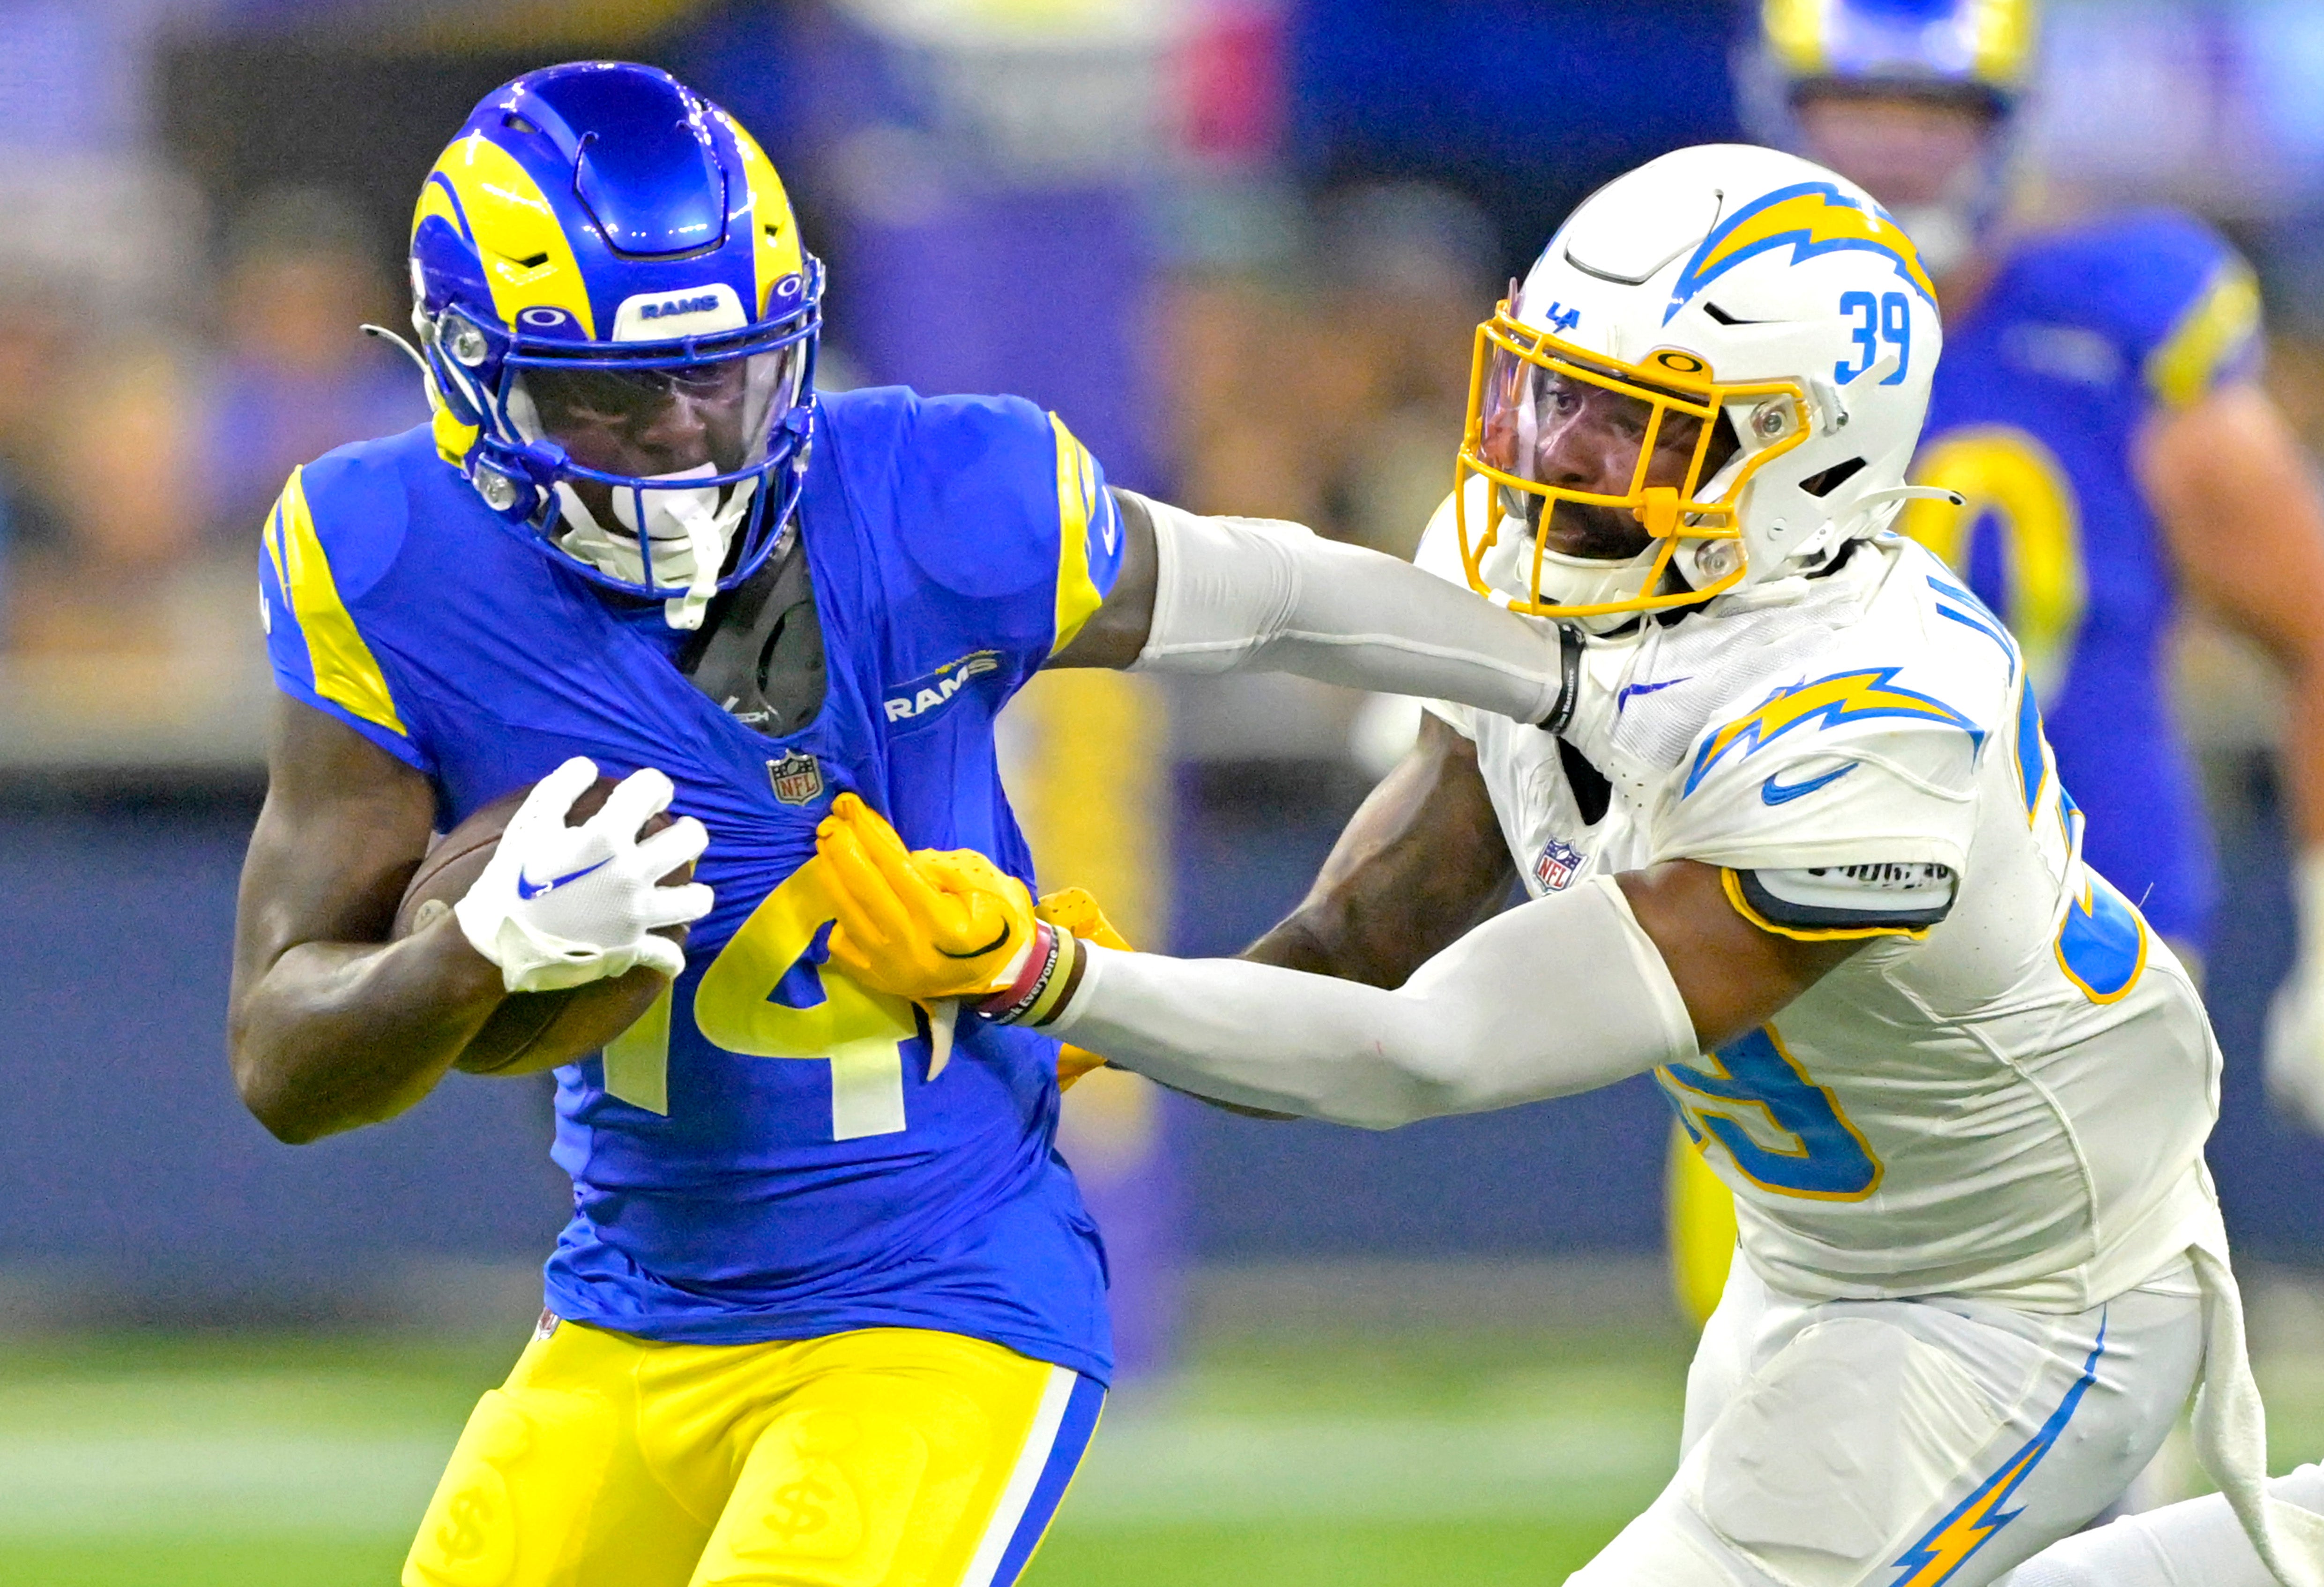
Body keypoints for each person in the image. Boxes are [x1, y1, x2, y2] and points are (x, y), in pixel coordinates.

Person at [804, 143, 2324, 1587]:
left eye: (1620, 423)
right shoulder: (1550, 549)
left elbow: (1427, 1052)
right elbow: (1365, 930)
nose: (1546, 455)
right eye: (1543, 391)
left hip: (2027, 1295)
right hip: (1818, 1258)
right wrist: (1088, 1036)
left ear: (1804, 457)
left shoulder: (1874, 722)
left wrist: (1052, 977)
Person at [224, 61, 1589, 1587]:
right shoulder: (382, 552)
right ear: (473, 374)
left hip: (934, 1296)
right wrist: (477, 946)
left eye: (721, 376)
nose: (685, 440)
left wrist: (1558, 670)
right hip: (630, 1299)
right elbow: (283, 1058)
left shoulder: (936, 495)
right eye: (611, 396)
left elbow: (1266, 592)